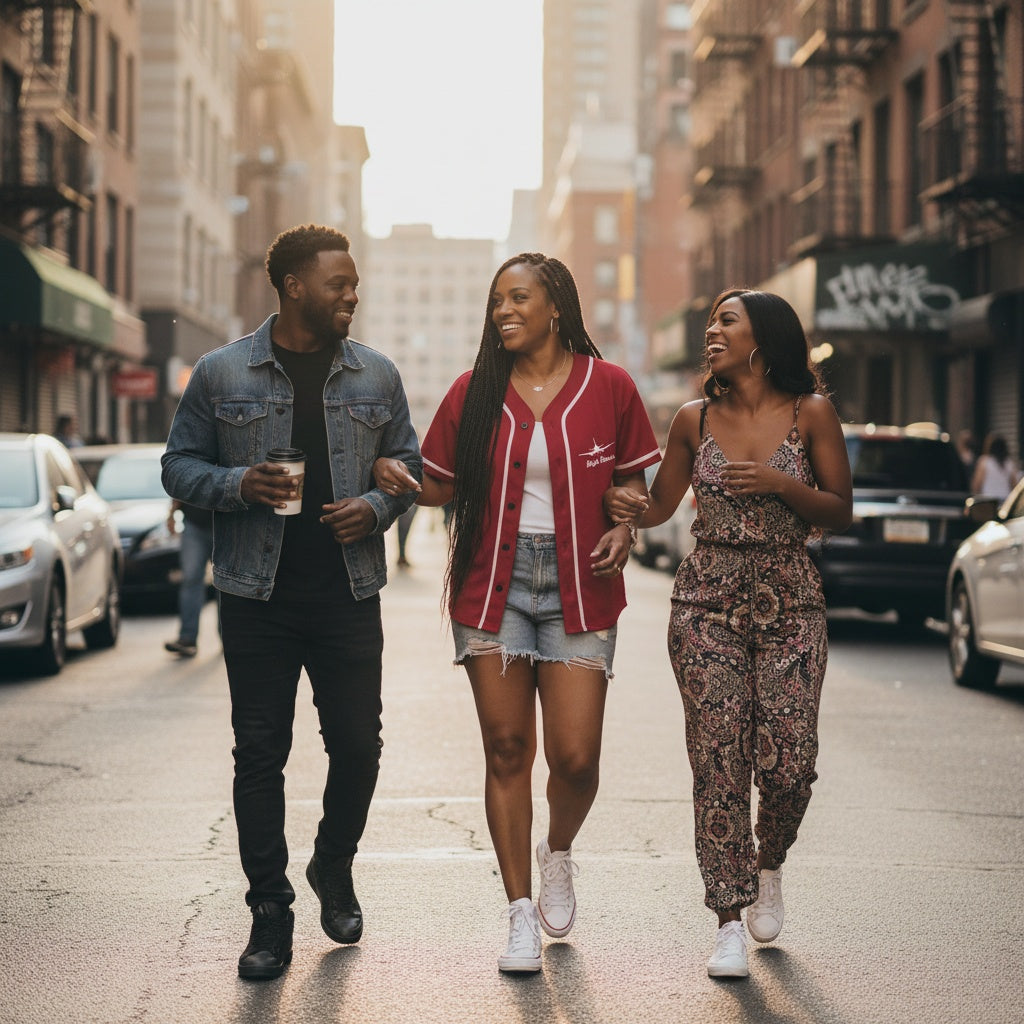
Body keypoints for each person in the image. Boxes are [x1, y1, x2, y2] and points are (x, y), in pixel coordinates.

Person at [374, 252, 660, 974]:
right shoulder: (473, 390)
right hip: (492, 585)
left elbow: (636, 485)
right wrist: (394, 476)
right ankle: (519, 914)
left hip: (579, 588)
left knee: (576, 758)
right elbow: (438, 486)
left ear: (555, 306)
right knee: (506, 751)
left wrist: (627, 525)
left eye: (519, 298)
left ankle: (557, 850)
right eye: (496, 299)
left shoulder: (612, 386)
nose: (503, 310)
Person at [161, 223, 421, 982]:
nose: (353, 294)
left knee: (359, 747)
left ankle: (331, 866)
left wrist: (374, 507)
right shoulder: (220, 372)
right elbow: (178, 466)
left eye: (355, 283)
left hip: (347, 593)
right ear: (295, 286)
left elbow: (405, 464)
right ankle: (269, 910)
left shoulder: (376, 375)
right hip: (255, 595)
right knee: (259, 757)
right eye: (340, 283)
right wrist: (238, 484)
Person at [606, 289, 852, 980]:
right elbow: (659, 506)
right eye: (711, 320)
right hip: (706, 600)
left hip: (791, 601)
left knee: (790, 761)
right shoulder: (693, 418)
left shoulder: (813, 415)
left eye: (726, 322)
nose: (711, 331)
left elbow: (843, 508)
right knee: (718, 761)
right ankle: (727, 921)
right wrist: (626, 508)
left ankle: (768, 862)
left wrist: (780, 484)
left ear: (763, 341)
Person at [163, 498, 214, 658]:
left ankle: (229, 639)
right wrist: (171, 514)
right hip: (193, 524)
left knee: (226, 581)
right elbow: (184, 481)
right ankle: (187, 639)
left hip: (226, 522)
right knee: (191, 579)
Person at [971, 432, 1021, 500]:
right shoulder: (1009, 463)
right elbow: (1014, 485)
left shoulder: (984, 461)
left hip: (989, 500)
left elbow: (976, 485)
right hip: (1005, 499)